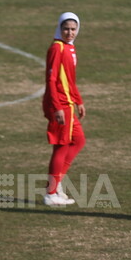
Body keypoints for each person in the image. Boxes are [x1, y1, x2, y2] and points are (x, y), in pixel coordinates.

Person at [42, 12, 85, 208]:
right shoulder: (57, 48)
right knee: (61, 146)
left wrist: (79, 101)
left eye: (73, 29)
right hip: (60, 104)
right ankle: (51, 192)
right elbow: (51, 79)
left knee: (78, 141)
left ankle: (56, 184)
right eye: (66, 29)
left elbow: (70, 78)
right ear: (59, 28)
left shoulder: (70, 48)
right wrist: (57, 107)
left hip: (68, 103)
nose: (69, 32)